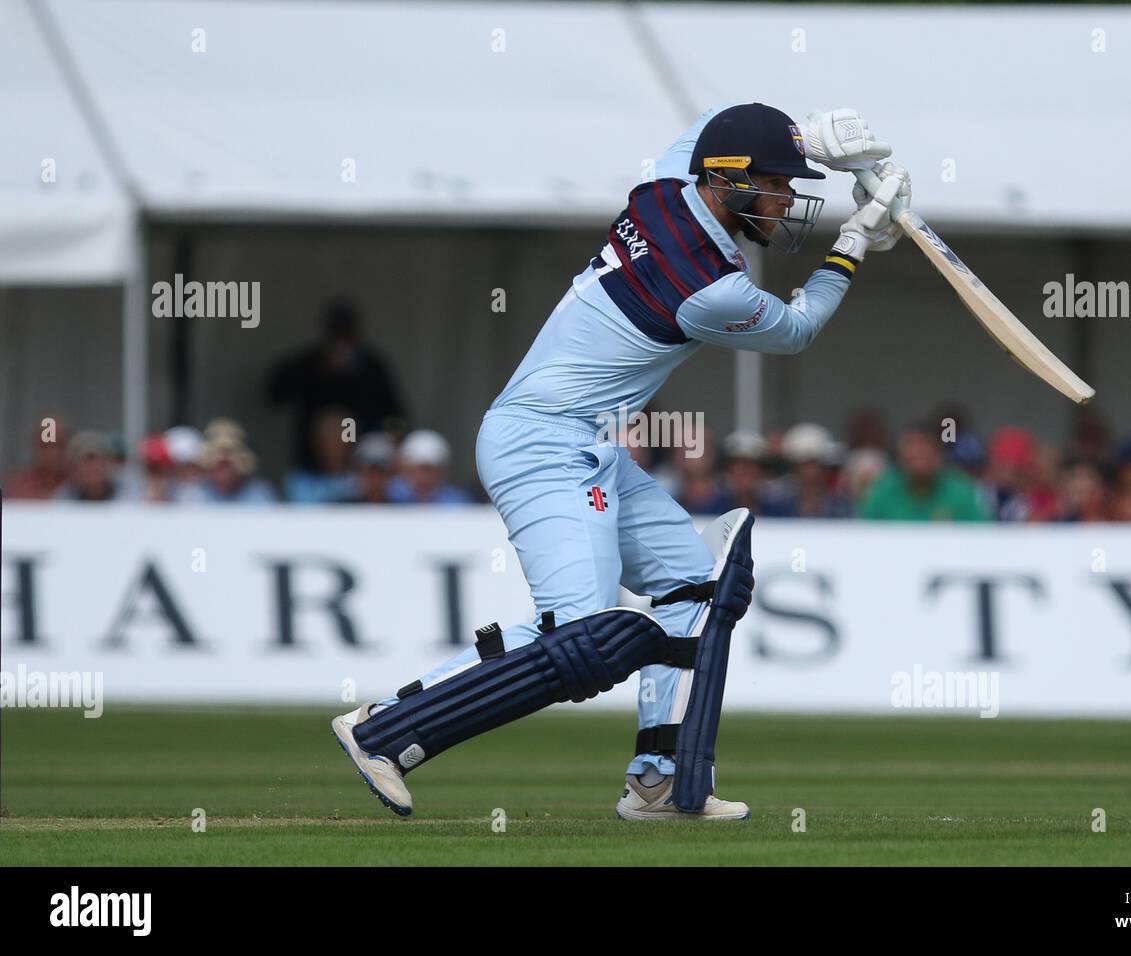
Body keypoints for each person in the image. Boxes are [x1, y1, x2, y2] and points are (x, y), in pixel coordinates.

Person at [330, 102, 911, 819]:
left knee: (695, 586)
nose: (790, 199)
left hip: (586, 441)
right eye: (779, 183)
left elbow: (705, 122)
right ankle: (384, 727)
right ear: (728, 182)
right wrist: (852, 243)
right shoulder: (709, 290)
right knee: (578, 635)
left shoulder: (664, 186)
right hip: (541, 442)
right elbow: (794, 331)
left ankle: (658, 780)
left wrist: (815, 140)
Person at [265, 298, 406, 472]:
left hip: (361, 466)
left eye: (346, 334)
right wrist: (319, 369)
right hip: (311, 466)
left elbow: (395, 415)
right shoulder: (308, 363)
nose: (341, 342)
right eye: (337, 333)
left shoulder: (372, 367)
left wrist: (394, 440)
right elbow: (273, 394)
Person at [859, 425, 988, 522]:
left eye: (924, 450)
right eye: (912, 454)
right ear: (900, 457)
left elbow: (983, 534)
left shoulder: (961, 491)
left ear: (939, 455)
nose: (918, 456)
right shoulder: (883, 491)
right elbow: (864, 535)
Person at [387, 430, 472, 504]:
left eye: (429, 469)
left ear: (442, 471)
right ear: (406, 469)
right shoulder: (390, 494)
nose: (424, 476)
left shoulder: (457, 501)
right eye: (419, 469)